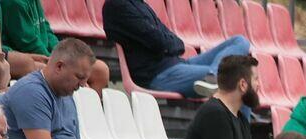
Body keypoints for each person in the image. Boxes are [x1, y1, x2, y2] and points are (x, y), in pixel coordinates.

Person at [101, 0, 250, 98]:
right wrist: (172, 44)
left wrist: (171, 45)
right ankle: (216, 76)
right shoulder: (117, 6)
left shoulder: (139, 4)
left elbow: (176, 42)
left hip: (178, 64)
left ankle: (214, 74)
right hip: (159, 75)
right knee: (238, 78)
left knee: (240, 41)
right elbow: (159, 41)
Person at [0, 0, 108, 92]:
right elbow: (28, 43)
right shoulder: (13, 2)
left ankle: (86, 110)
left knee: (100, 70)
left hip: (45, 55)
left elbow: (48, 31)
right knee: (64, 72)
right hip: (24, 56)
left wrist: (63, 53)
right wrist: (57, 59)